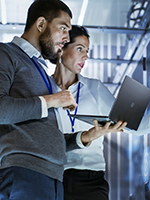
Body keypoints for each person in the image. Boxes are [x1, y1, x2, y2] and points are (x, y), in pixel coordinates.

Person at [52, 25, 150, 200]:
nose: (86, 56)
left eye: (87, 50)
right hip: (53, 178)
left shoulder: (94, 88)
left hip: (90, 181)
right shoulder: (43, 90)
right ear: (61, 48)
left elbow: (137, 126)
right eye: (80, 49)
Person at [0, 1, 126, 200]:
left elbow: (48, 137)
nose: (66, 37)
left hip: (54, 178)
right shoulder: (6, 54)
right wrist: (51, 101)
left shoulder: (39, 69)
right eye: (63, 28)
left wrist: (86, 136)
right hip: (25, 172)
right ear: (41, 24)